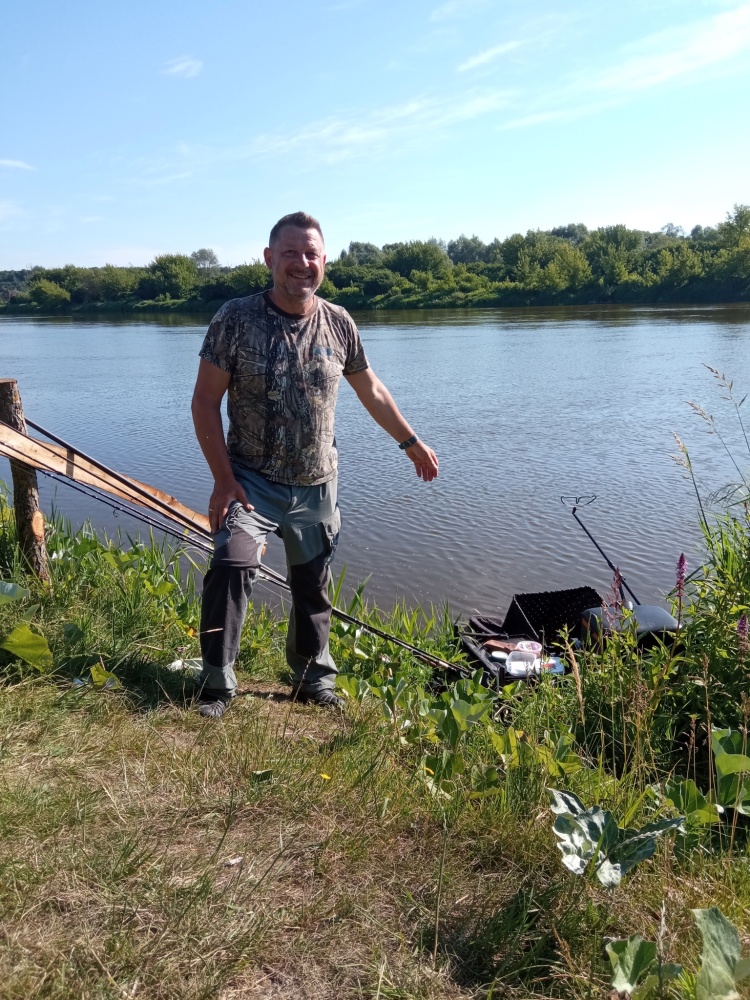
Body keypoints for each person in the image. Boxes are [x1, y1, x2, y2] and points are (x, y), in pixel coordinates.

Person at [191, 211, 439, 717]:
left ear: (324, 261)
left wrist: (410, 442)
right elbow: (204, 401)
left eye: (311, 254)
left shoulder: (339, 321)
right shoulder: (235, 318)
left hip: (317, 483)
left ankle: (312, 679)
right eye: (290, 253)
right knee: (233, 563)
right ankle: (216, 684)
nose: (301, 263)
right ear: (269, 258)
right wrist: (223, 479)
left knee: (313, 585)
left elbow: (371, 389)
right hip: (250, 482)